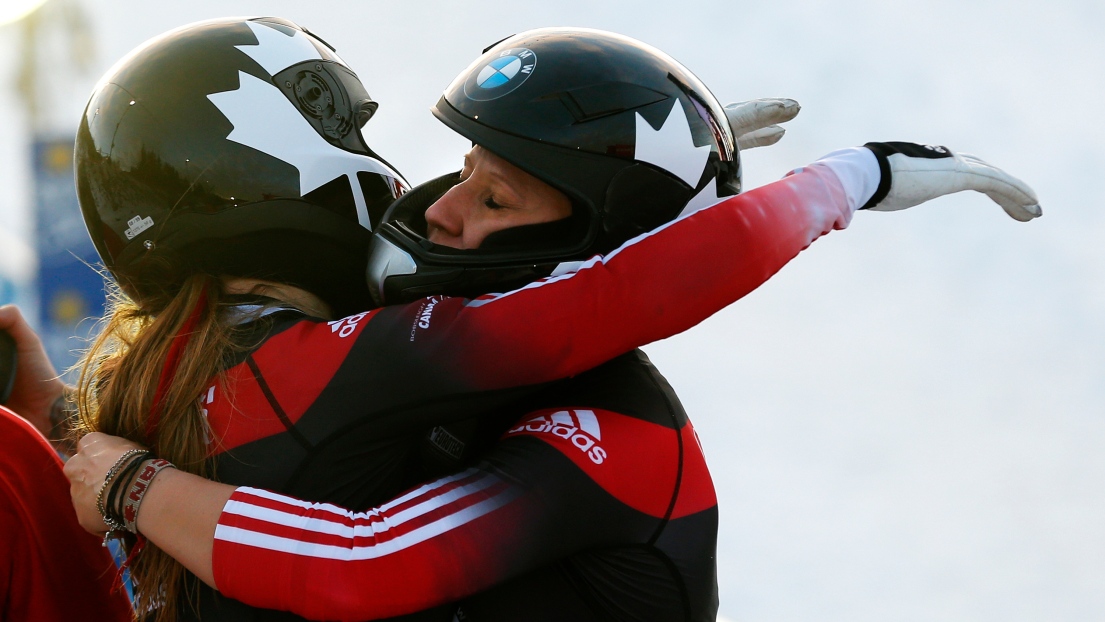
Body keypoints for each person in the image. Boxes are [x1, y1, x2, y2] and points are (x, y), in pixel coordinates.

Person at [60, 23, 1041, 622]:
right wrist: (818, 175)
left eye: (495, 196)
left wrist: (122, 477)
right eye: (468, 174)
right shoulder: (365, 348)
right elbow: (600, 283)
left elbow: (590, 292)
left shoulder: (179, 365)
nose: (436, 205)